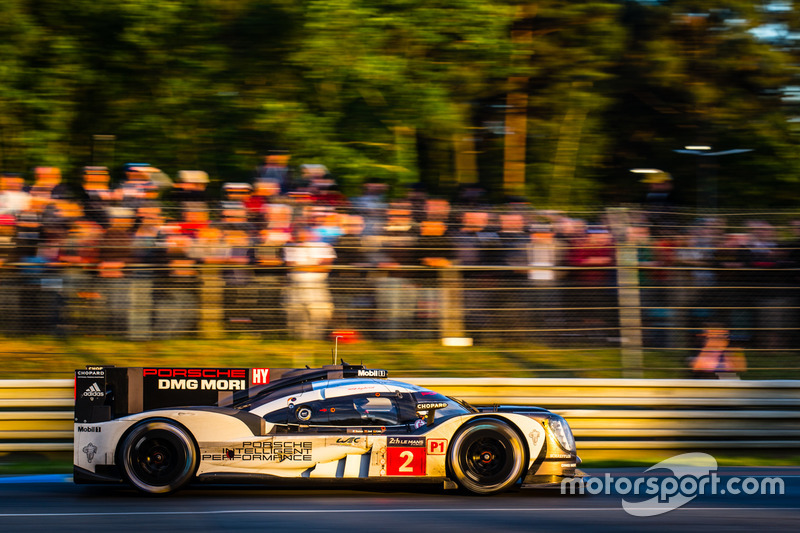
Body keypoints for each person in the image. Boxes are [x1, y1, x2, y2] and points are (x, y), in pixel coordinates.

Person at [283, 226, 337, 340]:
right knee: (296, 314)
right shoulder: (290, 247)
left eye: (306, 233)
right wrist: (314, 264)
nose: (303, 235)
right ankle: (299, 340)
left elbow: (325, 267)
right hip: (296, 286)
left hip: (317, 287)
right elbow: (291, 266)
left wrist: (302, 266)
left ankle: (316, 339)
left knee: (319, 313)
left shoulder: (324, 246)